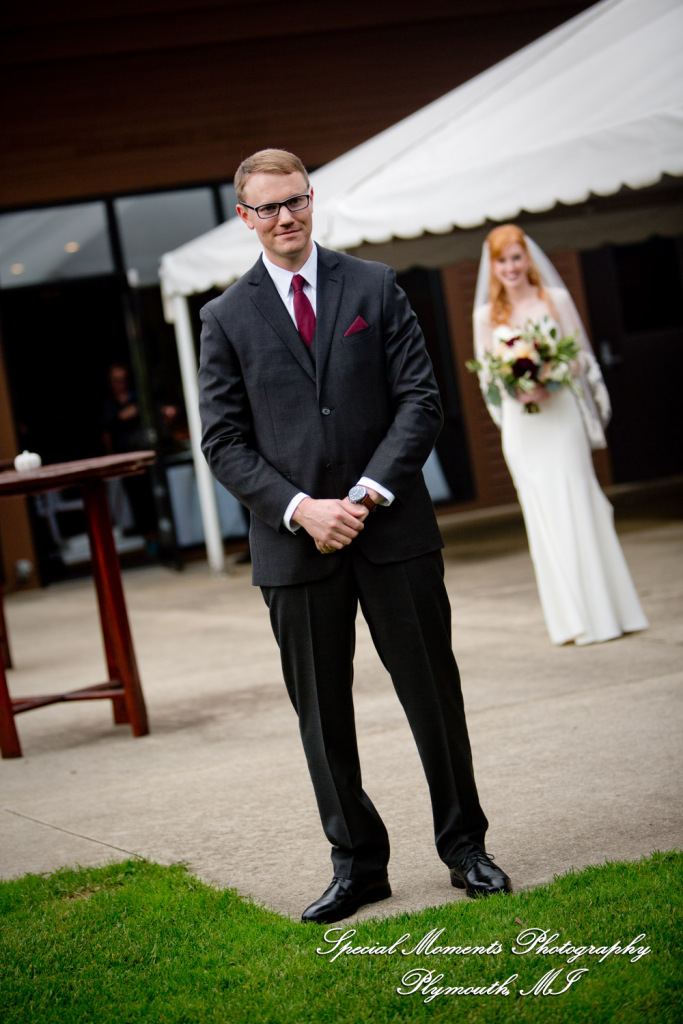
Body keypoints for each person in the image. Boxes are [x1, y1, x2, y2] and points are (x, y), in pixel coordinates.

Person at [198, 148, 511, 925]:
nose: (284, 218)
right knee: (322, 715)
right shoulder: (224, 318)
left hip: (392, 530)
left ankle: (465, 848)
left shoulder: (373, 285)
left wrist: (364, 496)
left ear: (312, 199)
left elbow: (421, 400)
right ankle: (358, 866)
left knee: (432, 696)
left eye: (294, 201)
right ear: (245, 218)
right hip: (293, 548)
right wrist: (303, 508)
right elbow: (223, 442)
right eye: (266, 208)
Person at [472, 225, 648, 646]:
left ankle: (610, 613)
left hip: (561, 416)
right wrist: (517, 387)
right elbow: (487, 379)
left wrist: (550, 377)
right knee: (543, 512)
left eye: (517, 257)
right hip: (523, 426)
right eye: (502, 260)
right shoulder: (485, 317)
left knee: (579, 501)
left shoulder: (557, 300)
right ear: (492, 267)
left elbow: (581, 357)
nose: (511, 267)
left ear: (528, 259)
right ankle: (571, 620)